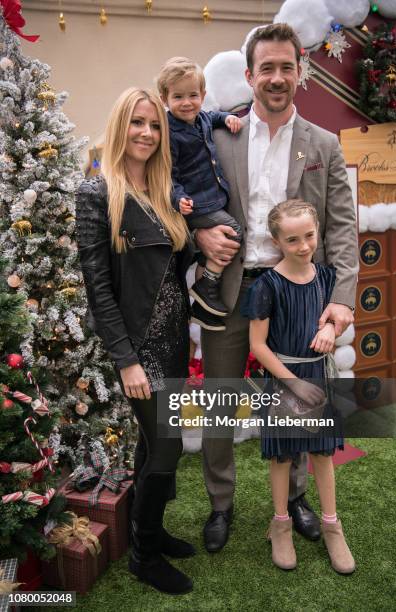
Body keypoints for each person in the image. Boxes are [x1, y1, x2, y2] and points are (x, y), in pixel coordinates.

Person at [195, 23, 359, 553]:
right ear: (249, 75)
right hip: (231, 288)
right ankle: (222, 503)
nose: (277, 77)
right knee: (221, 399)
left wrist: (340, 299)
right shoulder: (219, 135)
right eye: (266, 67)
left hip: (295, 293)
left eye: (287, 66)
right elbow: (190, 199)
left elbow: (341, 227)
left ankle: (295, 501)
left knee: (297, 397)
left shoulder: (324, 144)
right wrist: (200, 232)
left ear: (300, 73)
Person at [75, 88, 195, 595]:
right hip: (138, 347)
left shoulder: (164, 189)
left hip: (173, 339)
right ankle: (143, 556)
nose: (146, 133)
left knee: (154, 447)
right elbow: (98, 288)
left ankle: (154, 531)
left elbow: (173, 268)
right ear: (120, 125)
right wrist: (125, 361)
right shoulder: (97, 192)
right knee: (167, 448)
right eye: (137, 123)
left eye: (153, 125)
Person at [245, 199, 355, 574]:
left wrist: (329, 327)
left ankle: (331, 526)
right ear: (277, 241)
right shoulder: (266, 286)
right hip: (284, 381)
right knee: (283, 455)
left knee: (323, 455)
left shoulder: (327, 278)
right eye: (292, 240)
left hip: (318, 378)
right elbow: (258, 346)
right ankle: (280, 525)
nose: (304, 245)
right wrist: (293, 386)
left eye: (309, 236)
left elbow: (336, 317)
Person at [157, 56, 243, 330]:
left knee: (221, 242)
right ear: (165, 99)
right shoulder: (170, 133)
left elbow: (213, 116)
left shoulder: (202, 118)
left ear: (203, 95)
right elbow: (167, 174)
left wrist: (227, 117)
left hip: (212, 198)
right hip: (196, 205)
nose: (187, 103)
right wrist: (177, 198)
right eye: (178, 96)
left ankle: (203, 306)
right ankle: (207, 285)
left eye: (193, 95)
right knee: (233, 231)